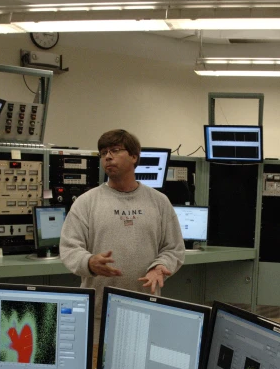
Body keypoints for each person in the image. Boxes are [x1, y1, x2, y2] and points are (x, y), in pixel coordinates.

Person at [59, 129, 185, 323]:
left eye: (115, 150)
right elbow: (69, 248)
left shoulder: (159, 202)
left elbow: (173, 248)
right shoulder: (86, 202)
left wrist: (160, 267)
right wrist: (89, 262)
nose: (108, 157)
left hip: (146, 306)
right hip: (99, 312)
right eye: (103, 153)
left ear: (134, 156)